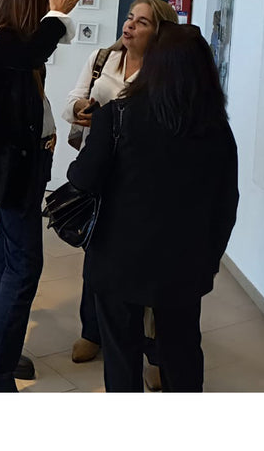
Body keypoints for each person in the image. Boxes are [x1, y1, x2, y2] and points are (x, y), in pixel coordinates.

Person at [66, 22, 239, 392]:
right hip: (184, 264)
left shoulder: (117, 115)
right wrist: (209, 258)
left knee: (120, 354)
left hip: (118, 258)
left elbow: (83, 178)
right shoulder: (216, 128)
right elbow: (227, 203)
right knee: (182, 350)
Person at [0, 0, 81, 391]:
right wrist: (58, 13)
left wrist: (55, 16)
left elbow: (42, 50)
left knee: (7, 258)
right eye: (44, 1)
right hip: (14, 172)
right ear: (30, 5)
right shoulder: (2, 41)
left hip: (19, 170)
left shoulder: (7, 41)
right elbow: (38, 49)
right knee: (24, 266)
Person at [63, 0, 178, 387]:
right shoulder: (102, 59)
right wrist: (79, 107)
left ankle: (155, 352)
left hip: (146, 182)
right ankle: (92, 331)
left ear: (158, 32)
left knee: (151, 270)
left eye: (142, 22)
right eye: (130, 18)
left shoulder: (167, 73)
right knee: (97, 255)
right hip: (101, 174)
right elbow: (71, 100)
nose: (129, 26)